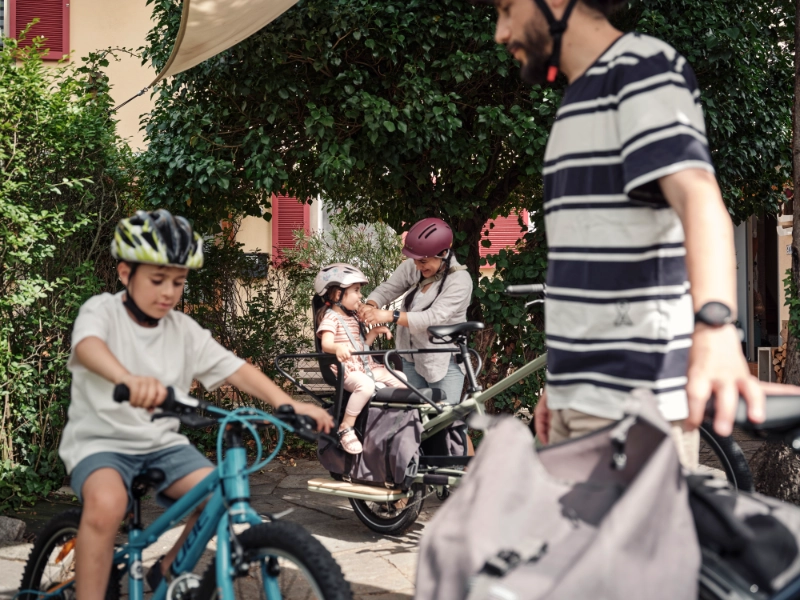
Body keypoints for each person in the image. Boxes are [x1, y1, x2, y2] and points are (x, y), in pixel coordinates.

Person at [486, 0, 799, 462]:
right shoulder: (577, 98)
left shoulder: (640, 69)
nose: (501, 31)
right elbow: (590, 260)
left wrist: (716, 328)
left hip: (633, 403)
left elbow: (699, 198)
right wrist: (562, 381)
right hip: (579, 399)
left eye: (507, 8)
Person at [58, 209, 333, 600]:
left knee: (216, 495)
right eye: (157, 280)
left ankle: (168, 570)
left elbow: (235, 368)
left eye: (178, 281)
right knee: (107, 504)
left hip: (161, 444)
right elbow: (89, 347)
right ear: (125, 274)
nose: (169, 292)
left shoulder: (183, 330)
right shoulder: (102, 311)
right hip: (101, 442)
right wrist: (127, 379)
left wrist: (288, 403)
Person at [360, 218, 474, 414]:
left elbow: (431, 318)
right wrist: (371, 305)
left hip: (443, 362)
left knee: (446, 420)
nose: (418, 266)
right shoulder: (414, 266)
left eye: (423, 261)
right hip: (410, 357)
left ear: (443, 254)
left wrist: (389, 315)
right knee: (413, 418)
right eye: (414, 260)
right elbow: (388, 288)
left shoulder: (460, 281)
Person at [315, 263, 407, 454]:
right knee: (365, 385)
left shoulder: (354, 318)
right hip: (346, 370)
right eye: (356, 290)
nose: (360, 296)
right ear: (338, 294)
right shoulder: (330, 318)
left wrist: (374, 332)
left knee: (402, 378)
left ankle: (394, 421)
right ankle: (346, 427)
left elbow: (362, 345)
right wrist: (338, 347)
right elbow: (326, 344)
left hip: (365, 366)